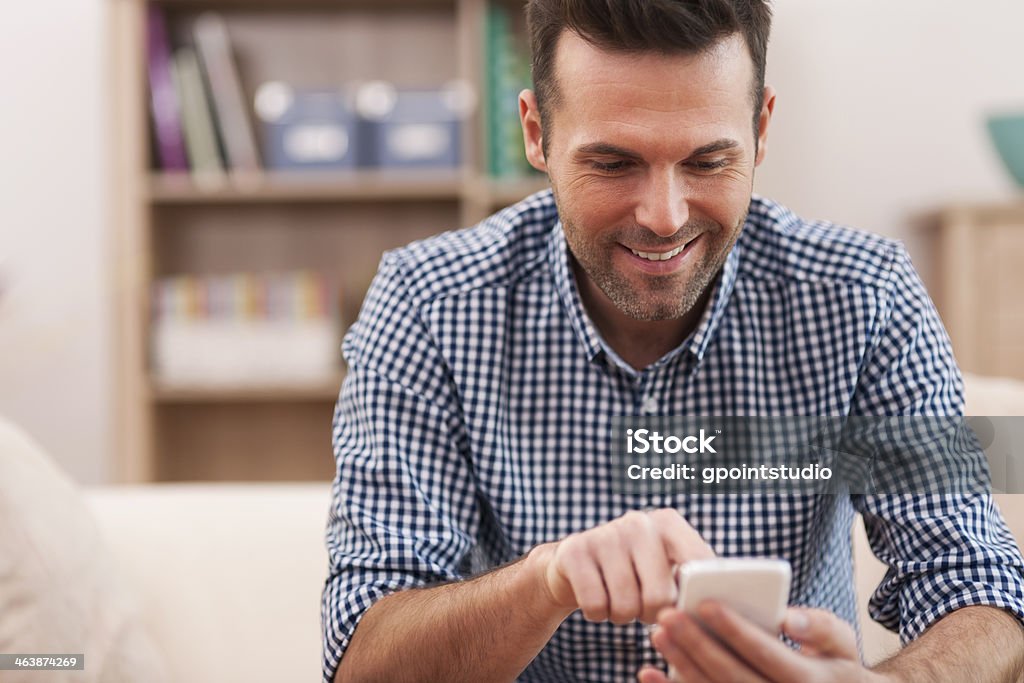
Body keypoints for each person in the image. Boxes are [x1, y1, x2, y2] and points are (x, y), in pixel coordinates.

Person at [321, 1, 1024, 681]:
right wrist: (546, 580)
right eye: (614, 163)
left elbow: (980, 587)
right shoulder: (427, 304)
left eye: (708, 161)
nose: (665, 216)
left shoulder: (865, 297)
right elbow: (361, 661)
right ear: (536, 132)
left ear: (762, 127)